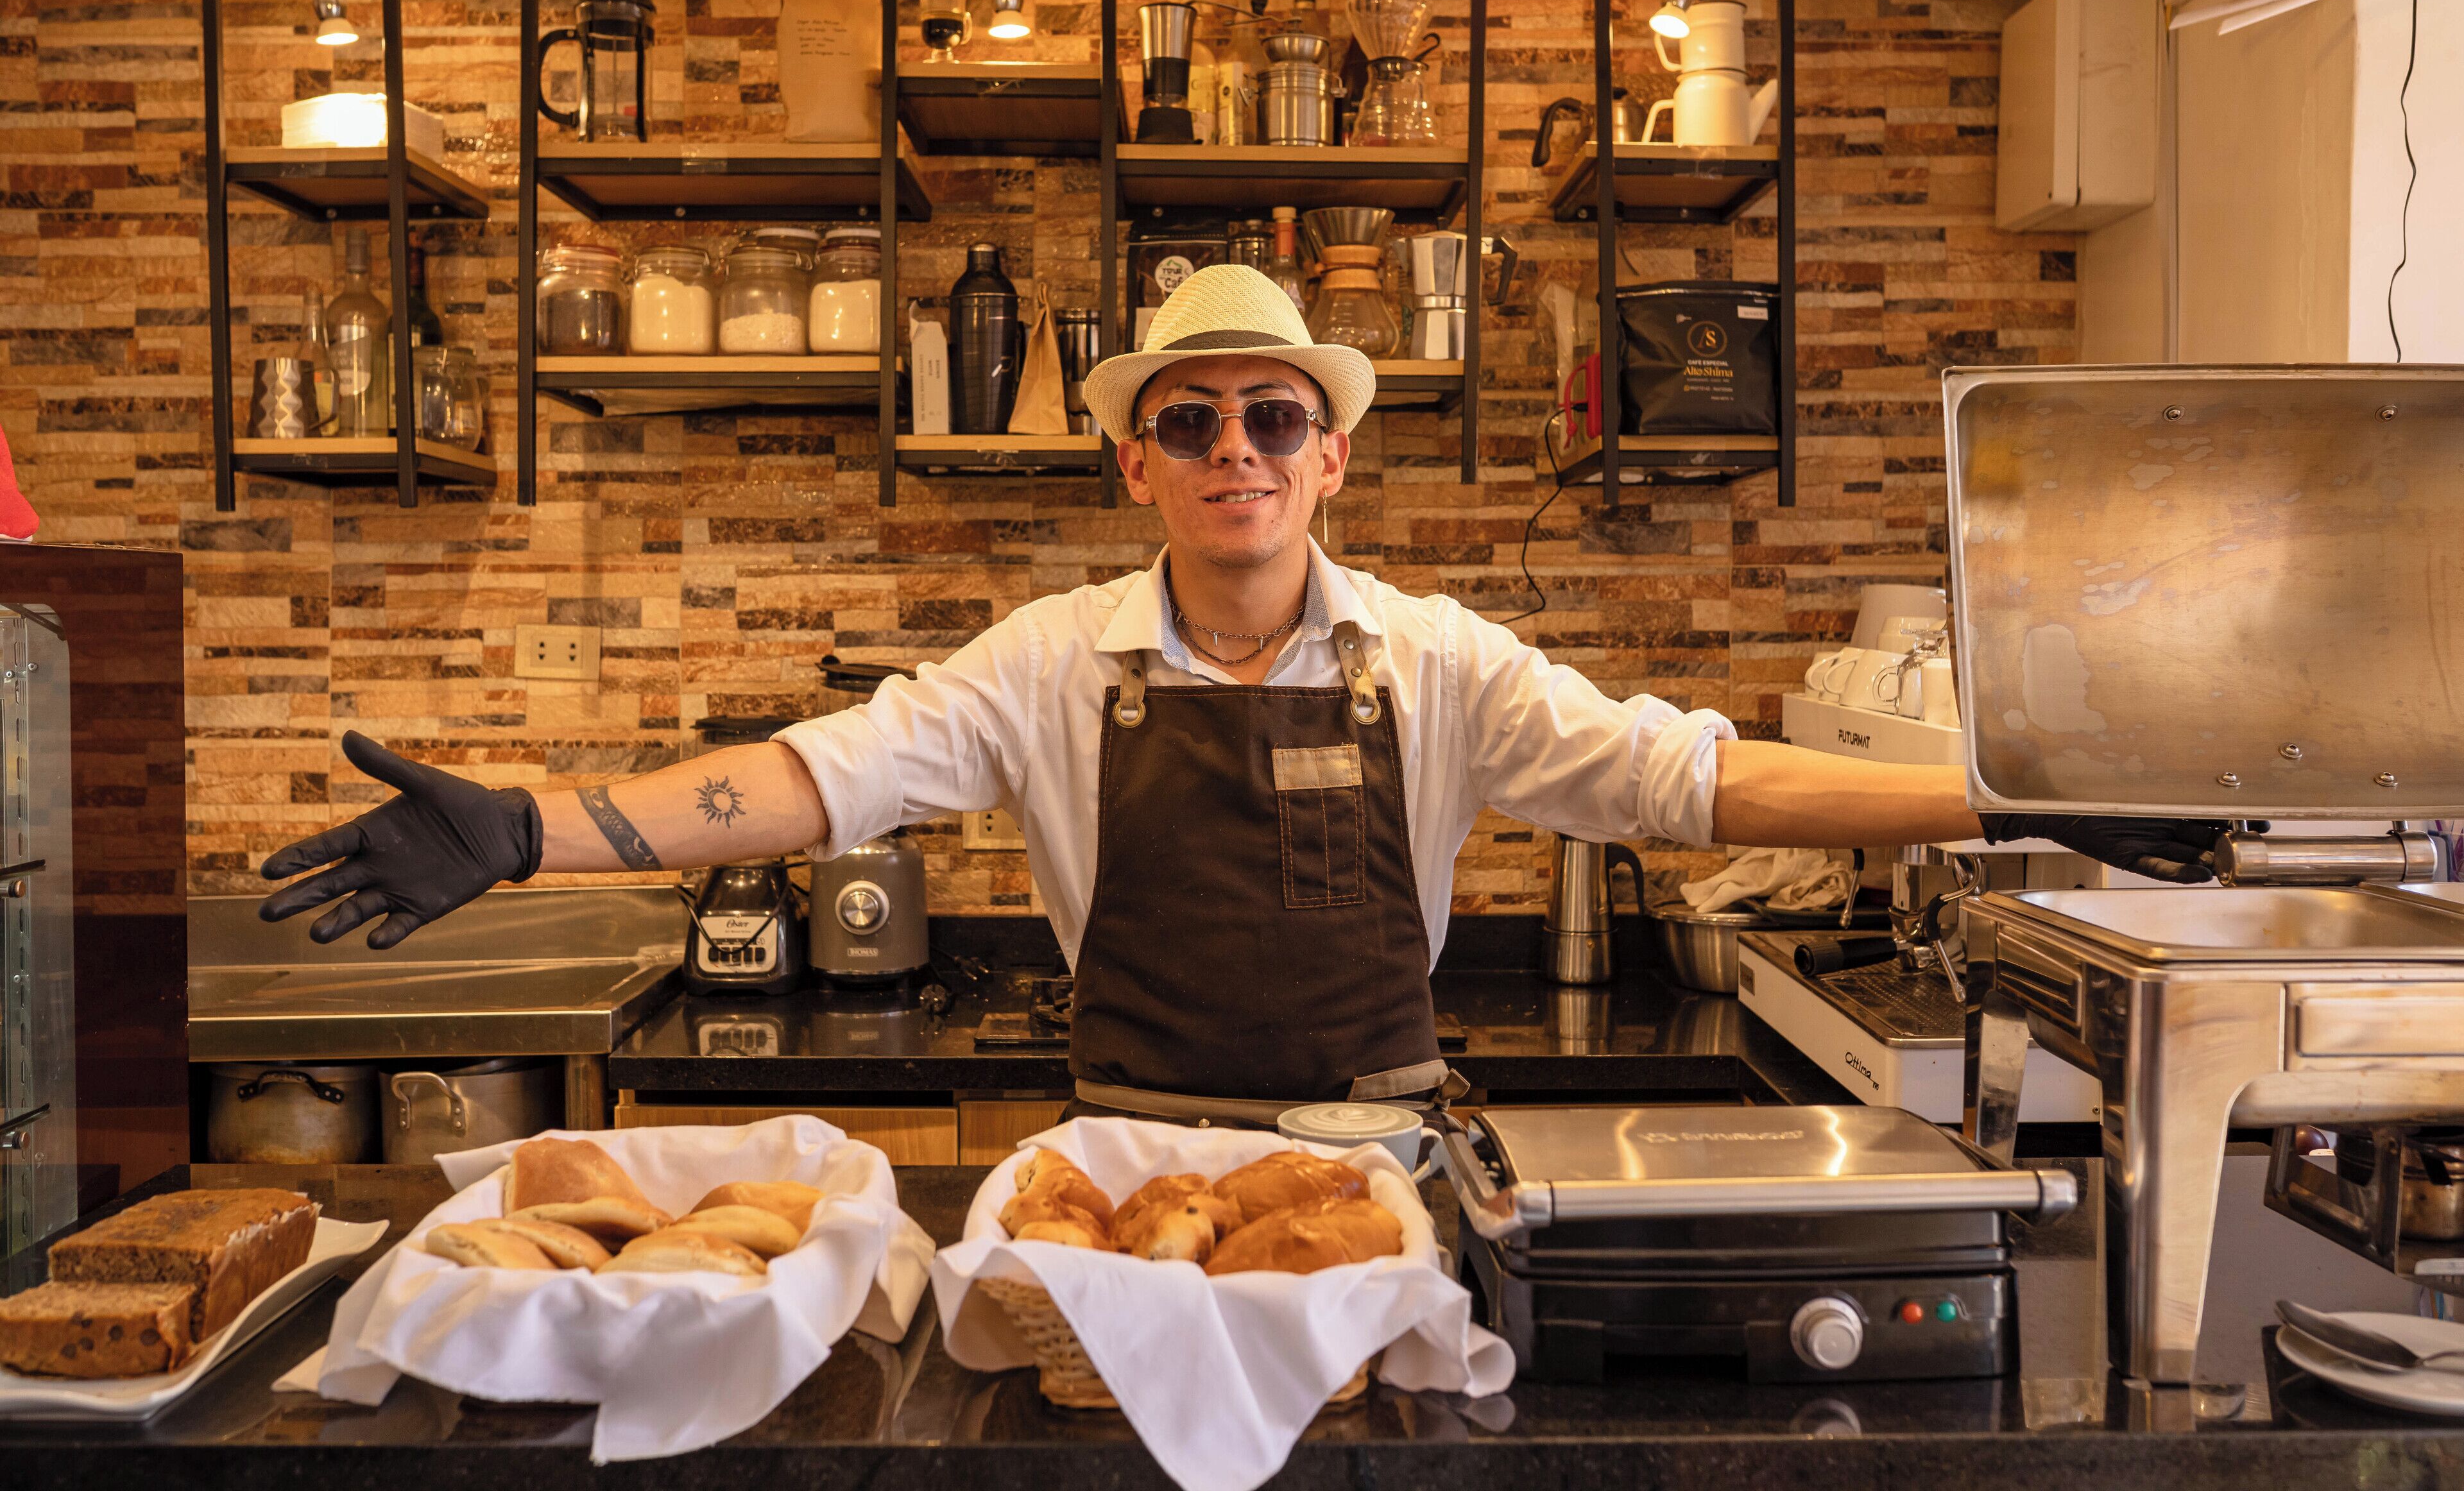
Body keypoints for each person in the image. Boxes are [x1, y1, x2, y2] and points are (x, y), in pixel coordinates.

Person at [259, 265, 2223, 1120]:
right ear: (1137, 462)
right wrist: (532, 829)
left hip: (1382, 1148)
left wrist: (2005, 792)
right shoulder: (1055, 659)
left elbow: (1697, 786)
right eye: (1190, 419)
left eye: (1274, 415)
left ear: (1330, 454)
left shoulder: (1436, 659)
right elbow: (814, 779)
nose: (1236, 447)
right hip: (1116, 1134)